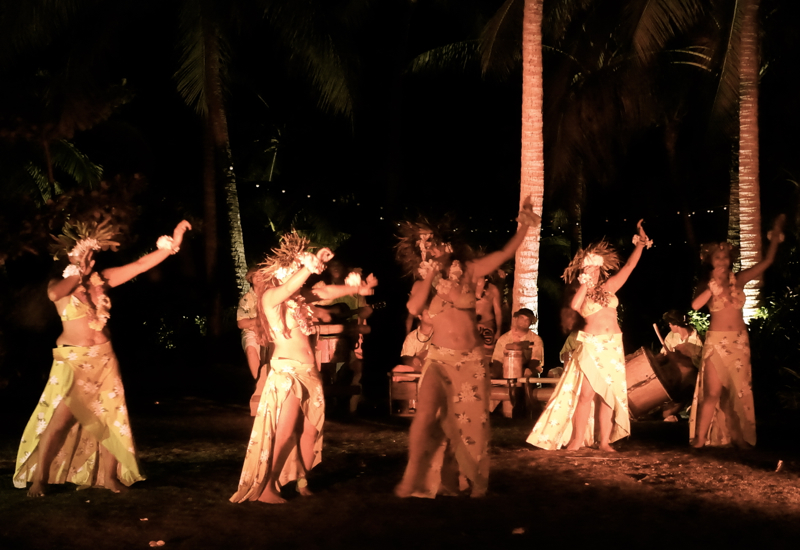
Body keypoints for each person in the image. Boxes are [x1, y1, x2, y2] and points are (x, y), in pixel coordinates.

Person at [14, 218, 192, 496]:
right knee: (60, 420)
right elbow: (52, 294)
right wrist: (76, 272)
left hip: (105, 359)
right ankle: (40, 479)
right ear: (69, 256)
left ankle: (109, 477)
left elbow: (139, 266)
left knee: (111, 418)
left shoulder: (103, 281)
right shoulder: (60, 285)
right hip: (74, 361)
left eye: (91, 253)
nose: (89, 258)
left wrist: (172, 244)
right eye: (82, 253)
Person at [393, 201, 539, 498]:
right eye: (425, 246)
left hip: (471, 361)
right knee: (424, 415)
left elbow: (503, 254)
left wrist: (524, 226)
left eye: (434, 243)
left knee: (468, 426)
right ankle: (413, 476)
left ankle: (464, 480)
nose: (430, 249)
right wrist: (428, 276)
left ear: (447, 244)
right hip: (438, 358)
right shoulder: (426, 280)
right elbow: (412, 306)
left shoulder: (470, 271)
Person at [230, 232, 378, 504]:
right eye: (290, 271)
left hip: (309, 373)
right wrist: (307, 266)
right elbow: (290, 287)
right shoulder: (271, 298)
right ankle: (267, 487)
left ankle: (297, 479)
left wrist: (357, 289)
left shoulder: (298, 299)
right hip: (288, 373)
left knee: (310, 431)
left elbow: (323, 292)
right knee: (285, 432)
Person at [527, 220, 651, 452]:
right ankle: (575, 441)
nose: (592, 273)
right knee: (586, 394)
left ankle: (603, 441)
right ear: (583, 270)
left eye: (595, 269)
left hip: (613, 345)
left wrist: (641, 245)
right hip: (592, 345)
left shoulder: (610, 288)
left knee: (608, 395)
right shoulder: (578, 292)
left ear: (601, 269)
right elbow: (574, 306)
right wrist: (584, 283)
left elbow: (629, 267)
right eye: (588, 269)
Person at [689, 215, 784, 449]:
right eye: (717, 257)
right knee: (712, 392)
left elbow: (767, 262)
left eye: (725, 256)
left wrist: (775, 234)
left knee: (736, 392)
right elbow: (694, 306)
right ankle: (700, 439)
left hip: (739, 341)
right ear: (710, 261)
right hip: (716, 341)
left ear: (730, 259)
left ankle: (738, 438)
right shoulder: (705, 284)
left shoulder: (738, 279)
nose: (722, 260)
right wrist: (712, 289)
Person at [657, 310, 703, 422]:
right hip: (674, 379)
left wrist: (684, 354)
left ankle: (689, 407)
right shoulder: (671, 336)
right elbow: (663, 354)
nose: (669, 326)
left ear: (676, 324)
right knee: (665, 414)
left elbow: (699, 365)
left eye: (670, 324)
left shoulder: (697, 339)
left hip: (690, 382)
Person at [237, 266, 268, 416]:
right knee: (251, 347)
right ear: (250, 279)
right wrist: (257, 323)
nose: (258, 277)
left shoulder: (273, 293)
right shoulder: (246, 299)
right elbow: (241, 323)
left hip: (271, 331)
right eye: (255, 275)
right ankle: (259, 385)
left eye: (261, 274)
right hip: (251, 331)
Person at [490, 308, 544, 379]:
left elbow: (535, 360)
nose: (524, 321)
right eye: (522, 318)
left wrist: (523, 370)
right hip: (506, 371)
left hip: (526, 372)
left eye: (527, 319)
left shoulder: (536, 339)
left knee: (528, 373)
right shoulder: (504, 338)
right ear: (516, 319)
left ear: (531, 322)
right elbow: (497, 360)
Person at [475, 275, 503, 359]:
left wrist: (498, 331)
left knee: (487, 352)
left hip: (487, 324)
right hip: (471, 324)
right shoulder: (467, 286)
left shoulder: (493, 290)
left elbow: (498, 312)